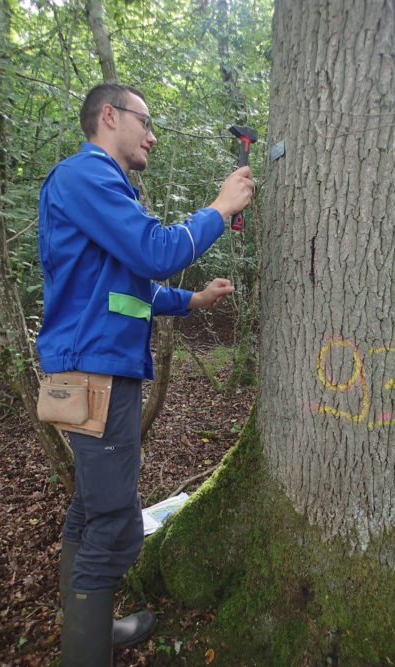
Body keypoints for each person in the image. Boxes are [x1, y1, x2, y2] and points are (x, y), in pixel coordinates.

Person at [36, 83, 253, 667]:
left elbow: (125, 293)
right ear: (109, 115)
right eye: (145, 121)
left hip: (95, 371)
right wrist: (219, 207)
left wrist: (193, 302)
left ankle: (93, 633)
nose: (152, 135)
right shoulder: (86, 175)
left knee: (90, 507)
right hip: (95, 376)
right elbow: (155, 251)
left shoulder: (99, 188)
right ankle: (87, 655)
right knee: (116, 524)